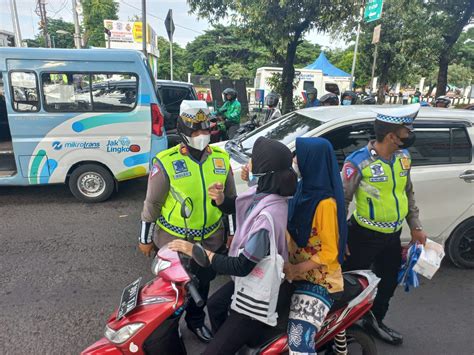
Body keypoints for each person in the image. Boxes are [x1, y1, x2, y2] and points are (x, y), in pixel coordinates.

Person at [169, 137, 298, 354]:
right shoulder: (267, 194)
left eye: (253, 161)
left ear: (266, 171)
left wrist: (197, 252)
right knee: (215, 305)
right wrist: (220, 199)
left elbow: (241, 266)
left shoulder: (267, 219)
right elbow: (242, 207)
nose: (248, 165)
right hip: (251, 279)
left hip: (257, 294)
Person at [139, 100, 236, 343]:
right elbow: (152, 203)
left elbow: (232, 201)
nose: (201, 136)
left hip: (210, 240)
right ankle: (167, 330)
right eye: (195, 131)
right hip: (174, 240)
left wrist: (232, 233)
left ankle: (194, 322)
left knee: (202, 285)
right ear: (183, 132)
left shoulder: (221, 159)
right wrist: (144, 238)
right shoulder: (166, 161)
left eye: (205, 130)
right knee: (172, 289)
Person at [342, 104, 427, 346]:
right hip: (361, 235)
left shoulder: (404, 158)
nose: (409, 135)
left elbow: (408, 193)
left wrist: (416, 226)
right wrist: (341, 237)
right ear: (391, 136)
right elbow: (343, 200)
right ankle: (339, 328)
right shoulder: (358, 161)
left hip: (392, 235)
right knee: (349, 284)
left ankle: (373, 321)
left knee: (388, 283)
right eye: (406, 131)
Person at [283, 137, 347, 355]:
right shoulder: (301, 189)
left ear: (312, 161)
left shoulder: (325, 204)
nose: (294, 159)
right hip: (292, 271)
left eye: (298, 155)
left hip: (320, 279)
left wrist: (295, 269)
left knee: (298, 341)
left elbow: (330, 252)